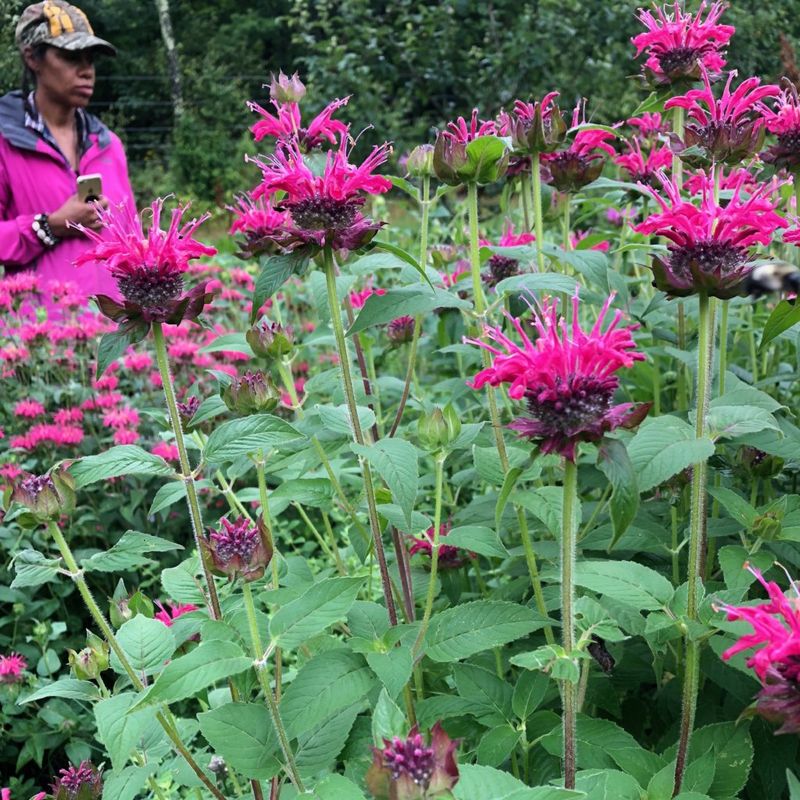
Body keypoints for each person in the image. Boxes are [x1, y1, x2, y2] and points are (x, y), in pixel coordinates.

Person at [0, 0, 135, 303]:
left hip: (114, 335)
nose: (86, 71)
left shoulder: (108, 145)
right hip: (41, 339)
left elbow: (130, 237)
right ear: (32, 58)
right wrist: (48, 226)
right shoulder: (5, 140)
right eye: (71, 57)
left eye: (90, 59)